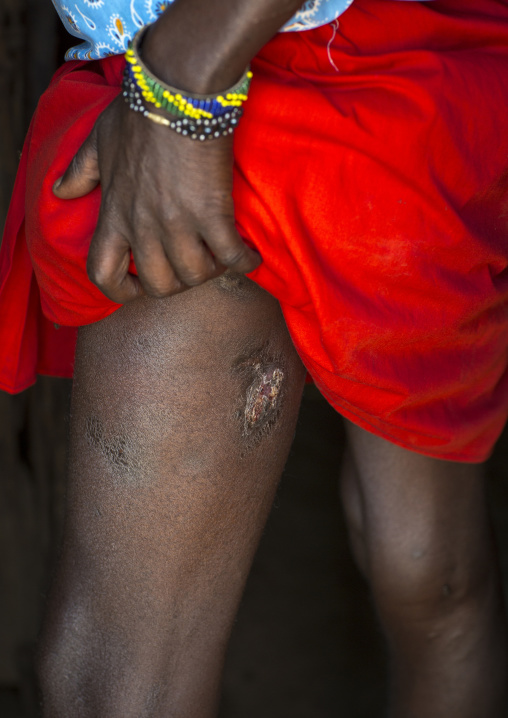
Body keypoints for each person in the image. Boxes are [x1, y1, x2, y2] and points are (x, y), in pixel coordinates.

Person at [1, 0, 508, 715]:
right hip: (368, 72)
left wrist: (179, 85)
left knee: (123, 684)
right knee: (431, 578)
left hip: (214, 68)